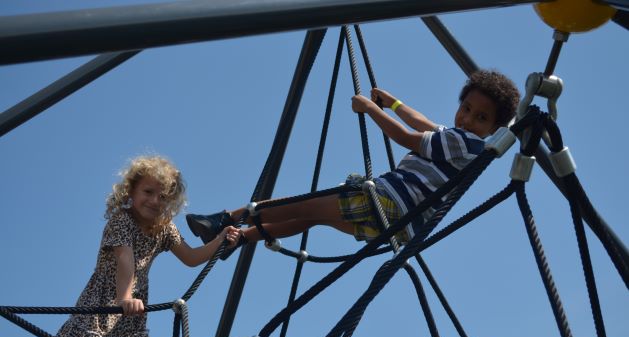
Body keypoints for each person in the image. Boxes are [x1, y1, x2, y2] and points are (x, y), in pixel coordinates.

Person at [186, 69, 520, 256]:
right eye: (466, 109)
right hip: (398, 222)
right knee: (311, 216)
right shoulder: (464, 142)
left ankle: (225, 218)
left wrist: (372, 109)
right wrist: (394, 102)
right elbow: (425, 123)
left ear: (494, 128)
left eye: (481, 117)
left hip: (389, 204)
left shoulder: (464, 143)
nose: (467, 119)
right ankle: (242, 237)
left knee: (308, 204)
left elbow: (406, 137)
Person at [43, 155, 241, 337]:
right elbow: (125, 259)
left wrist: (220, 241)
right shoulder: (121, 221)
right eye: (148, 192)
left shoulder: (164, 228)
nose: (154, 201)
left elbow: (191, 257)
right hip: (104, 309)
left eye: (163, 197)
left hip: (133, 319)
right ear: (131, 191)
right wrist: (124, 298)